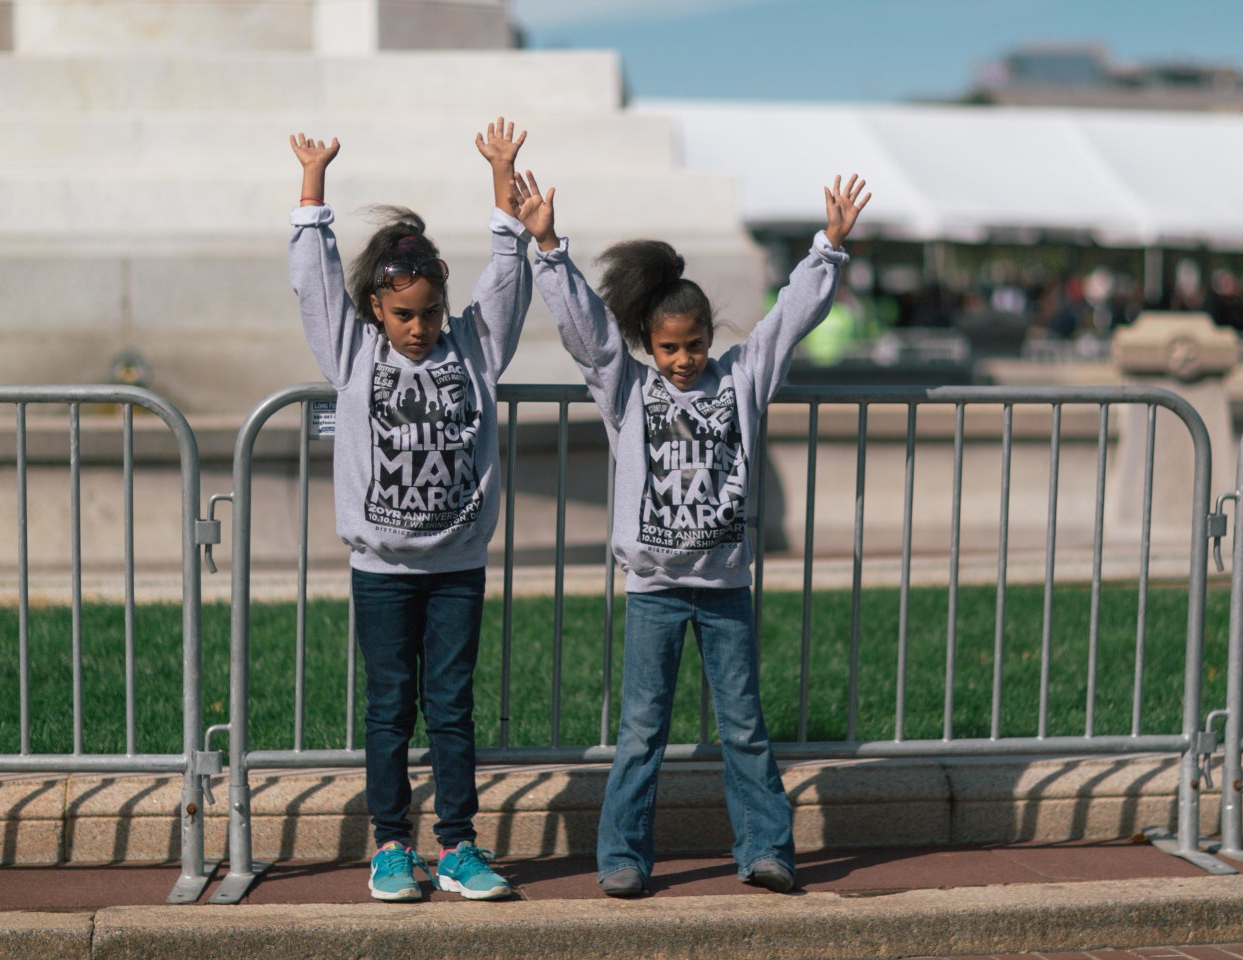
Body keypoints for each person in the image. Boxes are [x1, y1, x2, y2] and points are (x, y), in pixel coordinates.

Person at [518, 166, 870, 897]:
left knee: (743, 726)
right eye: (671, 348)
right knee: (643, 731)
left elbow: (787, 322)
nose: (685, 360)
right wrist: (548, 246)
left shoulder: (740, 380)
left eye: (697, 344)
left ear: (711, 338)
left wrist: (827, 248)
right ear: (649, 342)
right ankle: (622, 856)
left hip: (725, 590)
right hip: (654, 590)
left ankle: (767, 849)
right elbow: (586, 331)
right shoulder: (627, 389)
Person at [287, 118, 533, 902]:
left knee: (451, 711)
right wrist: (312, 190)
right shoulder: (353, 351)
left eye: (429, 313)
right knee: (391, 710)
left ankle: (458, 846)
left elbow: (506, 283)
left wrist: (503, 182)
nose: (420, 328)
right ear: (376, 311)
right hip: (383, 570)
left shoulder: (474, 349)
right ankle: (392, 847)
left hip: (457, 565)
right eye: (404, 316)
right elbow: (314, 282)